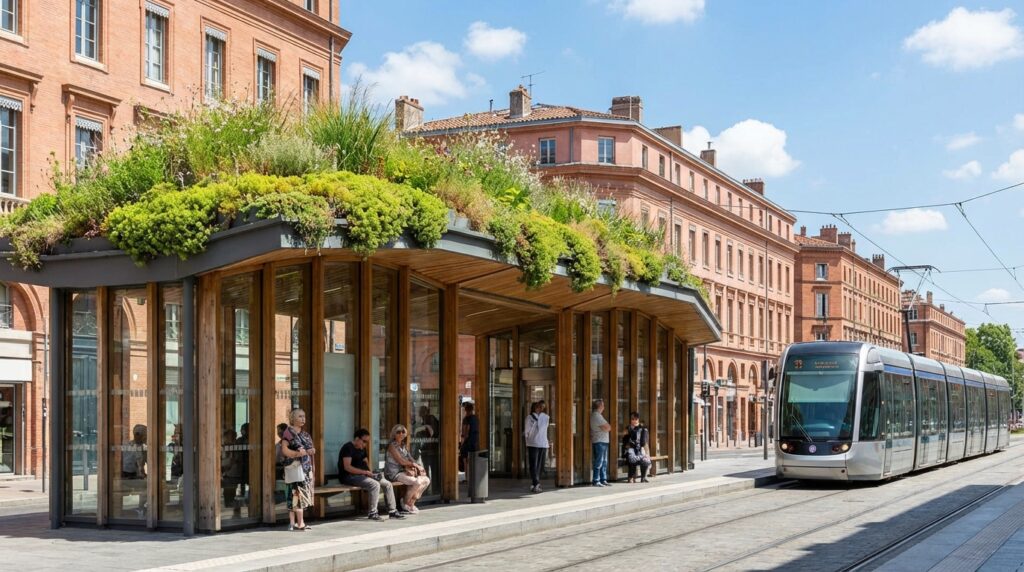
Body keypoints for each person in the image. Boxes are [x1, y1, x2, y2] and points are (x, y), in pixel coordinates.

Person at [338, 428, 406, 521]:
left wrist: (371, 473)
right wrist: (365, 472)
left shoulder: (362, 448)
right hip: (349, 476)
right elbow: (347, 467)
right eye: (364, 441)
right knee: (374, 484)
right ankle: (372, 513)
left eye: (367, 442)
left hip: (363, 475)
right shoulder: (347, 448)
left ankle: (392, 511)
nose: (365, 444)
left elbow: (366, 462)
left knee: (388, 484)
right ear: (357, 438)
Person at [280, 408, 316, 531]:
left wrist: (311, 451)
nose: (303, 419)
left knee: (299, 494)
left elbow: (311, 449)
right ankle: (298, 523)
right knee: (295, 494)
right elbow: (284, 450)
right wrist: (297, 454)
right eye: (300, 416)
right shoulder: (288, 433)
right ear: (293, 418)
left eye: (304, 416)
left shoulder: (306, 435)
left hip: (305, 468)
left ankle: (295, 523)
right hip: (294, 468)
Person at [385, 424, 431, 514]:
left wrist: (419, 467)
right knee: (417, 482)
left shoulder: (404, 446)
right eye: (398, 432)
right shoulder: (391, 446)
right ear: (394, 434)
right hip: (394, 473)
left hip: (405, 471)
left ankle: (411, 502)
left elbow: (411, 458)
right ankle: (405, 503)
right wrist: (415, 465)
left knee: (426, 480)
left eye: (403, 432)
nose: (401, 434)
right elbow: (401, 461)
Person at [524, 400, 550, 493]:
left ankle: (535, 483)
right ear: (535, 407)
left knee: (539, 465)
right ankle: (536, 483)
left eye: (542, 407)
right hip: (534, 443)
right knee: (534, 464)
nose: (540, 409)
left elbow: (545, 429)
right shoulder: (530, 418)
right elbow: (527, 431)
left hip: (541, 443)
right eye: (539, 407)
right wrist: (528, 439)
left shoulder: (545, 417)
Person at [624, 412, 651, 483]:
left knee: (645, 460)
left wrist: (647, 453)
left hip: (640, 449)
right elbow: (625, 440)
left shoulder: (643, 428)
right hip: (631, 448)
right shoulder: (628, 428)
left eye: (636, 419)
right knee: (632, 459)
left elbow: (644, 442)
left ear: (638, 419)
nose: (634, 421)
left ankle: (643, 477)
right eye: (632, 419)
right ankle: (631, 477)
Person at [590, 399, 612, 487]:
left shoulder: (599, 415)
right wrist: (605, 428)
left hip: (603, 441)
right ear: (600, 406)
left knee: (604, 461)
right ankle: (596, 480)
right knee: (599, 461)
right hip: (599, 441)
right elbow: (608, 427)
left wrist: (605, 427)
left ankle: (603, 479)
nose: (604, 407)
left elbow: (607, 427)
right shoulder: (596, 416)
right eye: (603, 405)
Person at [415, 405, 440, 476]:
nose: (419, 412)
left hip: (431, 449)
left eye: (420, 411)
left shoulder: (430, 418)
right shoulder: (424, 420)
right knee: (427, 470)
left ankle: (432, 482)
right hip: (427, 450)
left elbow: (432, 433)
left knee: (432, 470)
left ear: (425, 412)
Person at [459, 401, 479, 475]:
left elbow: (465, 432)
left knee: (465, 461)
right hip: (474, 442)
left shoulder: (466, 419)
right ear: (472, 409)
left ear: (466, 410)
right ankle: (472, 477)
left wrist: (462, 443)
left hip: (467, 443)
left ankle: (467, 477)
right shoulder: (475, 418)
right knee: (472, 461)